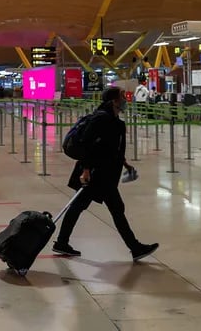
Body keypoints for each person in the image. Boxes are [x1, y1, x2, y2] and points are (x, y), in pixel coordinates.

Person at [52, 86, 159, 261]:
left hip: (103, 172)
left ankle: (62, 242)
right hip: (95, 173)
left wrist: (124, 163)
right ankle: (135, 248)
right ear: (113, 101)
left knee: (83, 206)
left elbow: (110, 147)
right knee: (113, 209)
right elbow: (87, 143)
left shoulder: (112, 118)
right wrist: (86, 170)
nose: (125, 99)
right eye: (122, 96)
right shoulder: (101, 119)